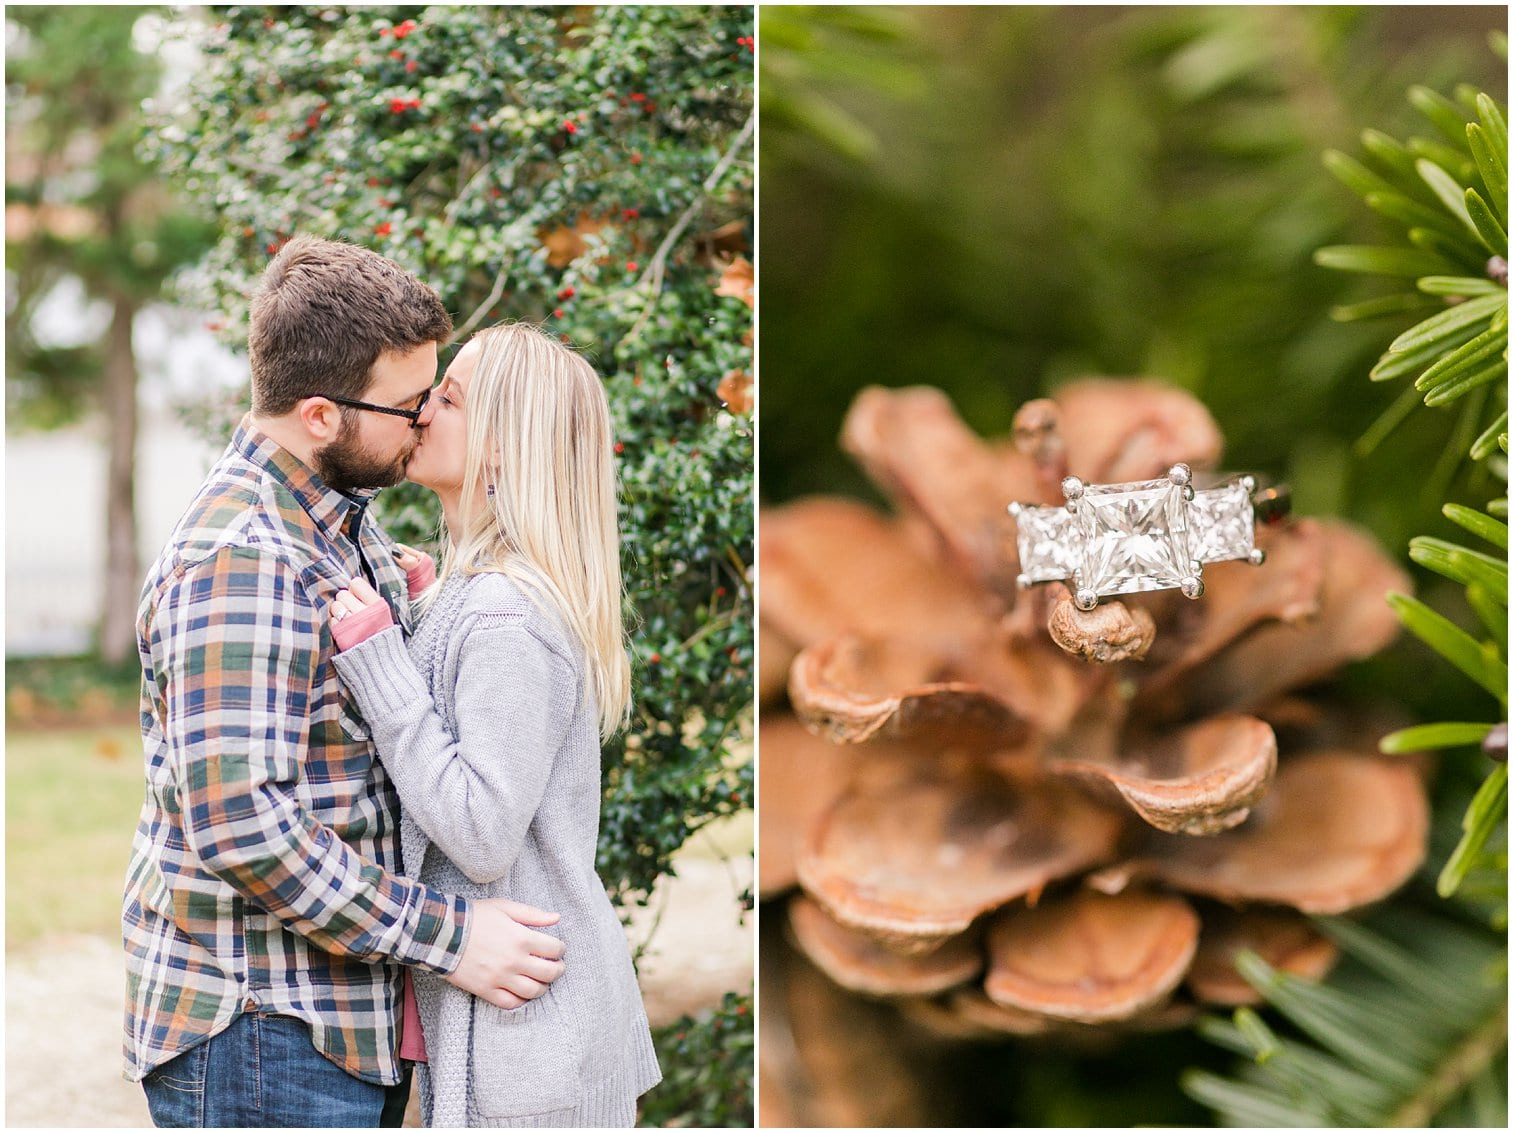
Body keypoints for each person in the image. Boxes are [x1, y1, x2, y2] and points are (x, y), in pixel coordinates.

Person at [123, 237, 567, 1129]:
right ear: (321, 414)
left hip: (326, 1023)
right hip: (263, 1031)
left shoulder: (334, 523)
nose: (425, 422)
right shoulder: (243, 556)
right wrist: (451, 937)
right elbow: (244, 824)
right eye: (410, 405)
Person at [325, 322, 662, 1126]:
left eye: (448, 398)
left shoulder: (505, 613)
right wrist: (422, 616)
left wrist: (381, 665)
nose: (420, 412)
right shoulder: (483, 599)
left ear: (503, 445)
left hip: (533, 1035)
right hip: (520, 1020)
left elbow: (481, 831)